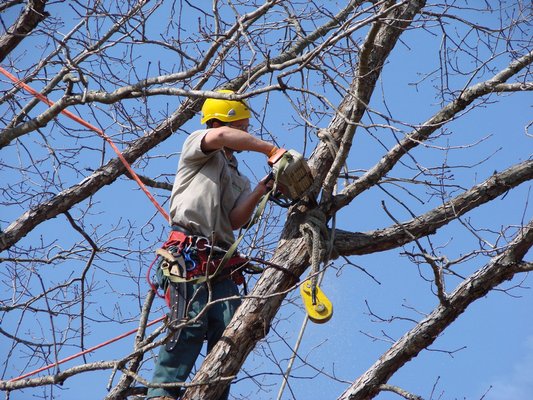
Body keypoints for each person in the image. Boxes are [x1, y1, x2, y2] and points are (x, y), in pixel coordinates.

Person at [147, 89, 278, 400]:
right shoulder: (199, 144)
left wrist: (262, 188)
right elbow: (219, 135)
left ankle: (214, 394)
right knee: (189, 325)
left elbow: (235, 219)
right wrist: (270, 148)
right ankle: (161, 394)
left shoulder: (237, 175)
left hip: (221, 262)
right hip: (188, 255)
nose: (244, 135)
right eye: (241, 129)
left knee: (230, 333)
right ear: (224, 122)